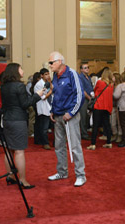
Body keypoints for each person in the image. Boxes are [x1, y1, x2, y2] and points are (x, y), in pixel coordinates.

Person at [47, 51, 86, 187]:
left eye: (51, 62)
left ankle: (81, 175)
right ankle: (62, 172)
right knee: (59, 146)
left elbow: (79, 95)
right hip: (58, 115)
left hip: (70, 116)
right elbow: (55, 94)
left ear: (59, 62)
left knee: (75, 146)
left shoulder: (72, 74)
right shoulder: (55, 76)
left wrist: (71, 112)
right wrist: (52, 110)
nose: (50, 65)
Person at [1, 63, 43, 188]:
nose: (23, 70)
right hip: (18, 121)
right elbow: (25, 104)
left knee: (9, 150)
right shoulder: (19, 86)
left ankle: (10, 176)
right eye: (21, 68)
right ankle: (23, 180)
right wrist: (38, 95)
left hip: (7, 120)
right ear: (16, 71)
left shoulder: (4, 86)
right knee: (19, 151)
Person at [87, 68, 114, 150]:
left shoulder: (100, 82)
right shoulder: (111, 84)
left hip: (99, 106)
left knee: (95, 126)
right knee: (107, 125)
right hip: (107, 107)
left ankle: (93, 144)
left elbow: (95, 92)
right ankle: (109, 142)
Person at [33, 68, 53, 150]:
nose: (48, 76)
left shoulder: (48, 83)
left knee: (52, 126)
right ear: (41, 75)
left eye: (48, 74)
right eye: (46, 74)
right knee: (44, 128)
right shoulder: (39, 85)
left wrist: (51, 84)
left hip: (50, 106)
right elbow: (43, 97)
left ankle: (55, 142)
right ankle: (45, 143)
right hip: (43, 107)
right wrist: (50, 91)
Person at [78, 63, 94, 140]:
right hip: (84, 99)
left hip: (90, 98)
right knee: (83, 117)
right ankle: (83, 134)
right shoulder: (80, 77)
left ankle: (85, 132)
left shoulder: (89, 77)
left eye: (88, 67)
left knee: (87, 116)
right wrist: (89, 98)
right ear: (81, 69)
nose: (87, 69)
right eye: (85, 68)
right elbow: (82, 90)